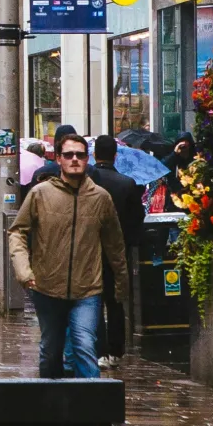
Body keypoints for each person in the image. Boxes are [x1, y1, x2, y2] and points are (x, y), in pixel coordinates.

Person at [7, 131, 127, 380]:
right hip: (47, 286)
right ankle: (51, 408)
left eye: (80, 155)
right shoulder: (41, 194)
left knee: (84, 346)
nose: (74, 159)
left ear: (87, 159)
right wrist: (23, 269)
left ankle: (92, 413)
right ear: (59, 159)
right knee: (51, 351)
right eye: (68, 154)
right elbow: (17, 232)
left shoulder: (100, 198)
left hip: (87, 290)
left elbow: (115, 244)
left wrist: (120, 283)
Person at [88, 135, 146, 367]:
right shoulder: (127, 183)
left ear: (94, 155)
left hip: (91, 249)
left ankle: (99, 349)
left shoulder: (88, 182)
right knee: (115, 300)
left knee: (93, 299)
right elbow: (136, 219)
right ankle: (116, 349)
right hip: (118, 251)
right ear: (115, 155)